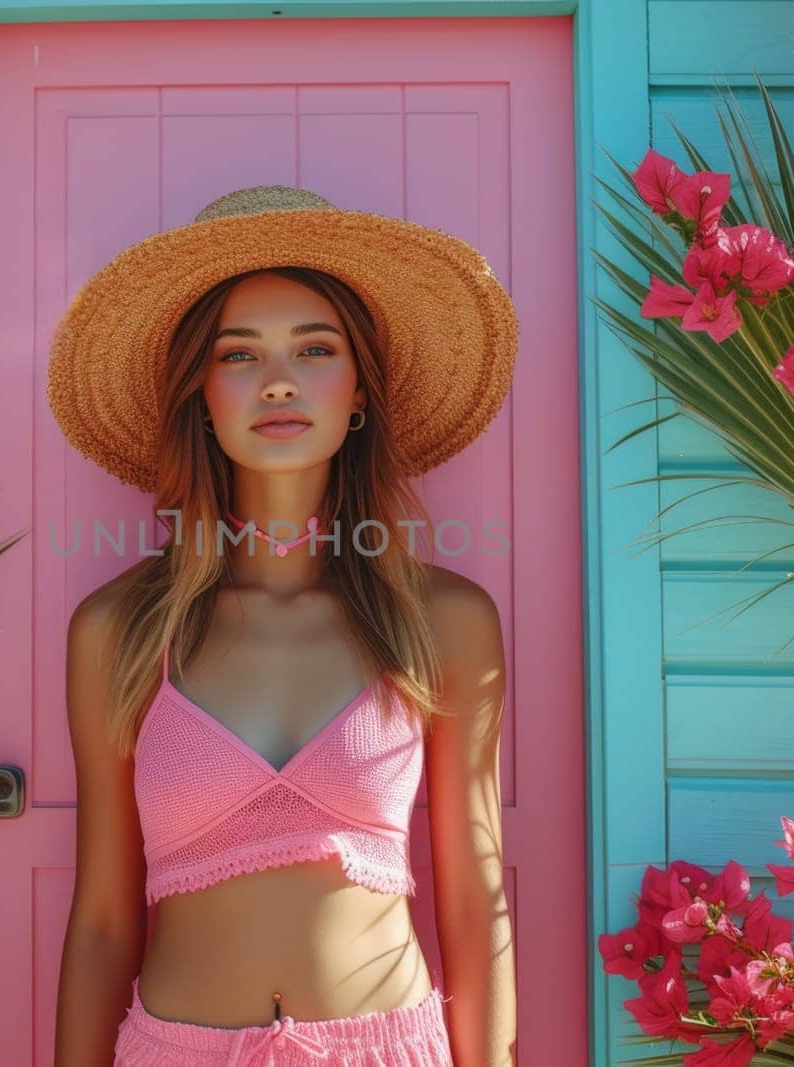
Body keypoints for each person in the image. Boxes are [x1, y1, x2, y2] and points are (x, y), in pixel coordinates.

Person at [46, 184, 518, 1065]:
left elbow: (473, 895)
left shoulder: (444, 620)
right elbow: (105, 919)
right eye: (238, 354)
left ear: (359, 395)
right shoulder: (118, 630)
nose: (278, 379)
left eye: (315, 347)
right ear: (200, 396)